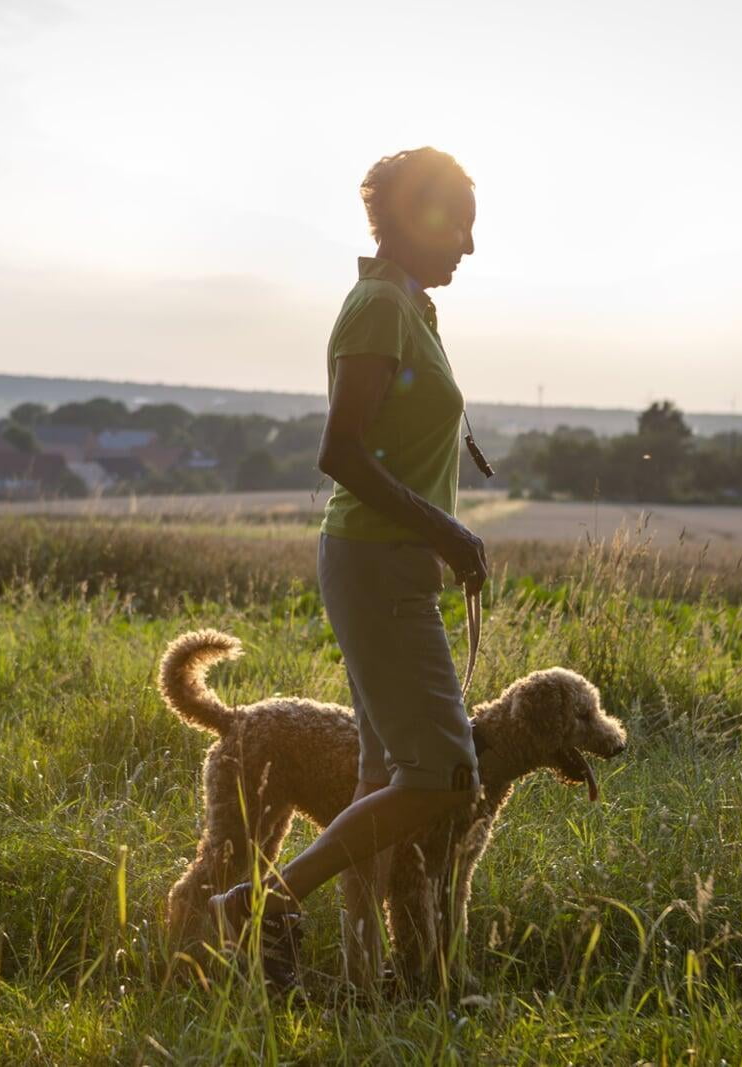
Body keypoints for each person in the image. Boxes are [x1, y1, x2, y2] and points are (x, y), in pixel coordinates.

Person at [209, 147, 487, 988]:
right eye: (460, 225)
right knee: (446, 774)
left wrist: (437, 539)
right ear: (412, 218)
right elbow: (340, 449)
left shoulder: (409, 305)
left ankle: (362, 977)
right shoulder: (376, 307)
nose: (470, 247)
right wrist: (445, 528)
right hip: (378, 560)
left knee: (382, 772)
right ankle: (264, 903)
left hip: (390, 564)